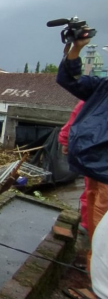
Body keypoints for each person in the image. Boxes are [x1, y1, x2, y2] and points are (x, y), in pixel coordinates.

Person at [56, 35, 108, 296]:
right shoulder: (103, 87)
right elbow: (69, 79)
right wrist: (75, 48)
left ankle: (99, 288)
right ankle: (91, 276)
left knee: (104, 232)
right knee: (92, 220)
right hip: (93, 169)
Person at [59, 101, 88, 231]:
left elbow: (77, 116)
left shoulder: (98, 93)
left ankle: (88, 229)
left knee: (95, 195)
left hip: (98, 158)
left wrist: (66, 141)